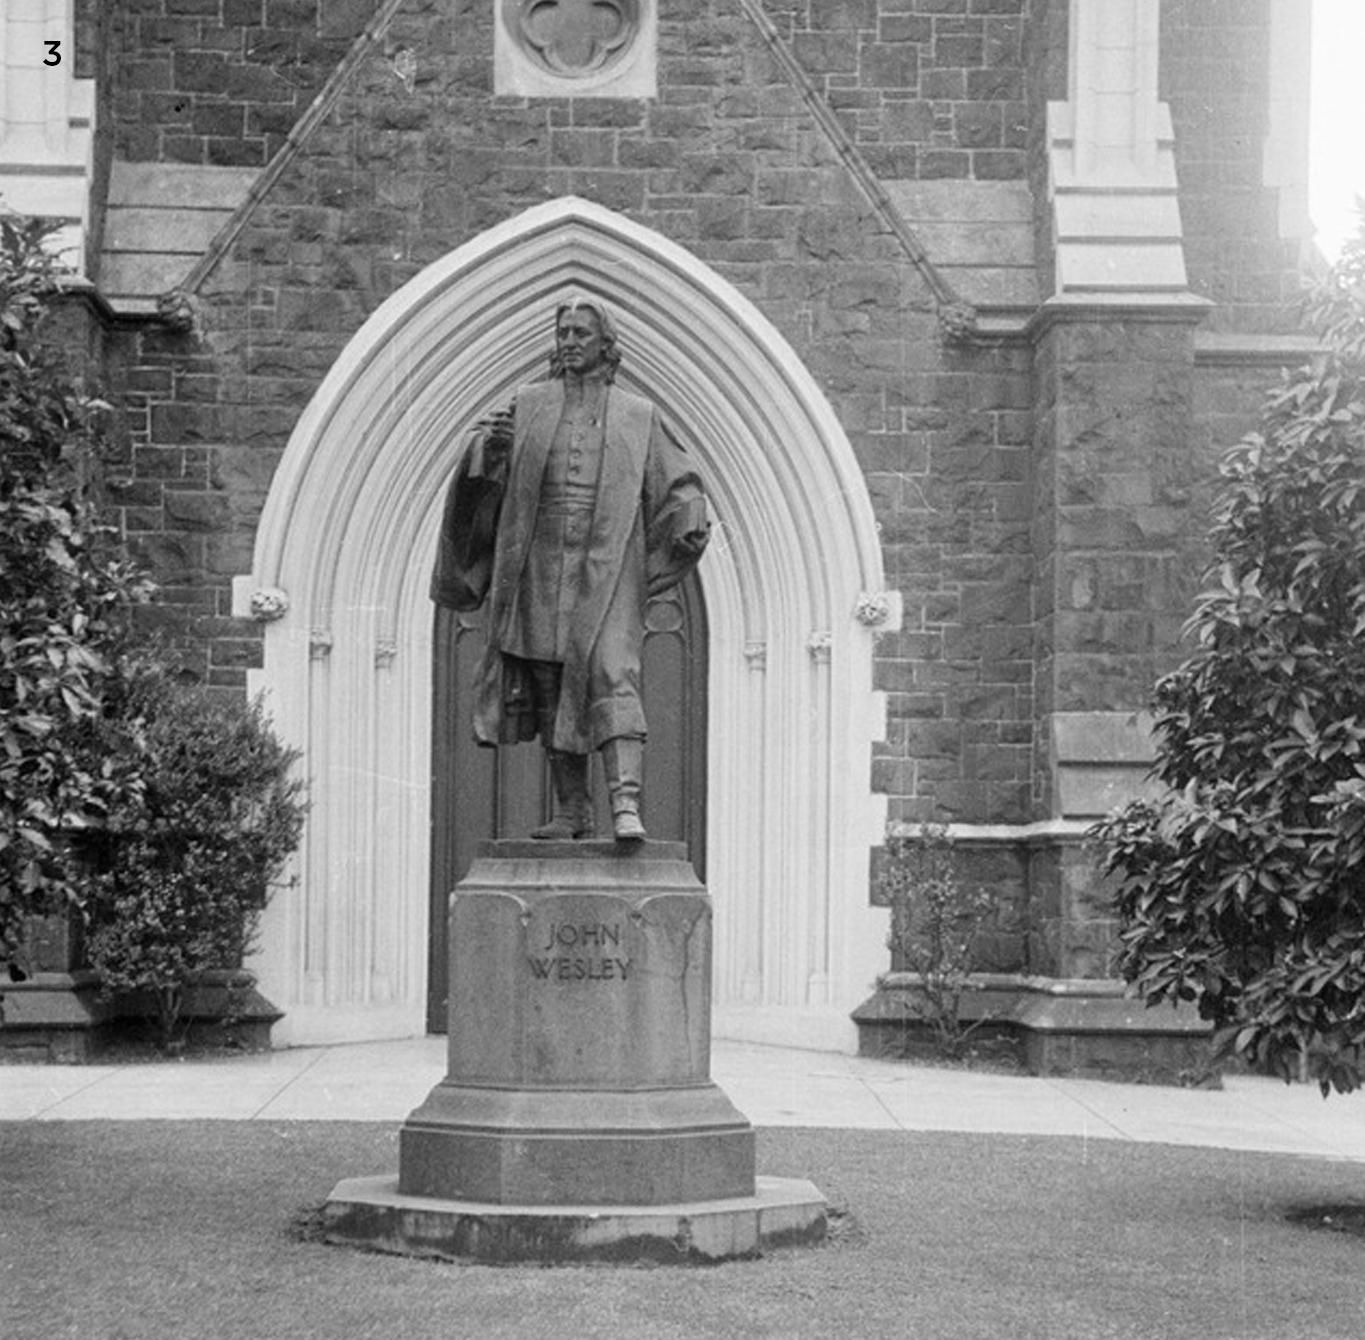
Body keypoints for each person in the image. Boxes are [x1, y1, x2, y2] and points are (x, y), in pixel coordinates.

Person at [430, 294, 709, 842]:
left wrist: (686, 515)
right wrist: (487, 451)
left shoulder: (638, 415)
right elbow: (485, 474)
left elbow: (678, 482)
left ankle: (625, 806)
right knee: (551, 684)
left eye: (582, 333)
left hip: (604, 568)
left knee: (611, 672)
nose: (570, 341)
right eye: (564, 333)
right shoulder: (529, 403)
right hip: (538, 562)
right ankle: (573, 811)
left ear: (606, 345)